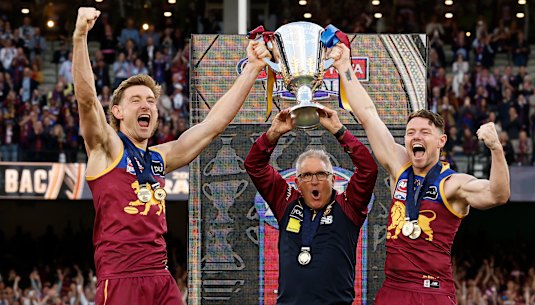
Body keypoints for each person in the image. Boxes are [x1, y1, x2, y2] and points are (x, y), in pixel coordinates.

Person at [72, 7, 269, 305]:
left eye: (151, 101)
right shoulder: (106, 148)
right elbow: (86, 101)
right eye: (136, 100)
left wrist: (253, 68)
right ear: (117, 112)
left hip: (161, 278)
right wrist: (80, 36)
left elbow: (212, 126)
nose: (146, 106)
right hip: (122, 278)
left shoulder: (158, 158)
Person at [328, 43, 510, 304]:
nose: (416, 136)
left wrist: (496, 149)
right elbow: (368, 115)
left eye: (425, 132)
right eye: (411, 132)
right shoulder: (399, 167)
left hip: (432, 290)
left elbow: (498, 195)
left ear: (441, 141)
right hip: (394, 288)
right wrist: (345, 67)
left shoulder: (452, 184)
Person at [244, 106, 378, 305]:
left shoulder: (348, 205)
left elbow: (368, 169)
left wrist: (339, 130)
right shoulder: (286, 202)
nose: (314, 181)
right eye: (306, 175)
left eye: (321, 174)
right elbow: (254, 165)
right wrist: (273, 134)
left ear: (333, 180)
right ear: (297, 183)